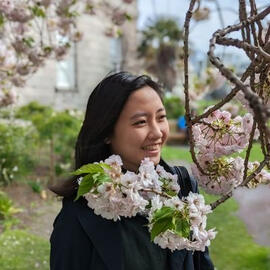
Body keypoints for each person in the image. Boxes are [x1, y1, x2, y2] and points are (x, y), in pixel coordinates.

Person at [49, 71, 214, 270]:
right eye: (140, 122)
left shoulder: (184, 186)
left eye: (161, 117)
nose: (157, 132)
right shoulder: (78, 216)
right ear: (106, 132)